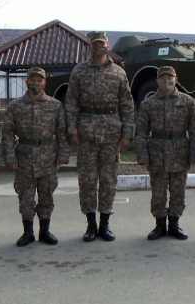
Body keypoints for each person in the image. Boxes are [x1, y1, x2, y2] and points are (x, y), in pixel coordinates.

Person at [65, 31, 134, 242]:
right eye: (94, 44)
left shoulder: (119, 73)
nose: (98, 47)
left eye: (102, 43)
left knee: (108, 180)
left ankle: (105, 224)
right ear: (90, 47)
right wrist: (72, 131)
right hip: (86, 134)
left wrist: (127, 134)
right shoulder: (79, 72)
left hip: (111, 135)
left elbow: (127, 106)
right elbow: (71, 104)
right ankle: (91, 225)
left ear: (108, 44)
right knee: (87, 181)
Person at [1, 67, 70, 247]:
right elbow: (7, 134)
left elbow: (62, 132)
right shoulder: (15, 106)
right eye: (32, 80)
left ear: (44, 83)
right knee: (26, 197)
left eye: (40, 80)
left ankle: (45, 230)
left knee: (46, 196)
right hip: (24, 157)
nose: (36, 83)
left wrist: (62, 155)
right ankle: (28, 232)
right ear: (26, 82)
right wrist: (10, 157)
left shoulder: (55, 105)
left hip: (48, 157)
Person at [135, 66, 195, 240]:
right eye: (162, 78)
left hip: (180, 152)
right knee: (158, 192)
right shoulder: (148, 104)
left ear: (176, 79)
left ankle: (174, 224)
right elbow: (141, 132)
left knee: (178, 191)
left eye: (169, 77)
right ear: (157, 81)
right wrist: (143, 156)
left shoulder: (187, 102)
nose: (166, 81)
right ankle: (159, 225)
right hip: (157, 154)